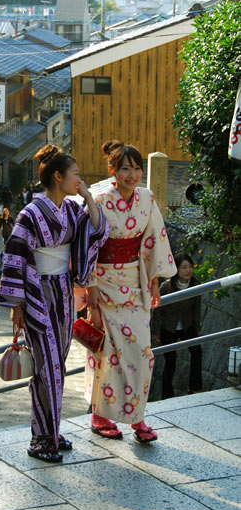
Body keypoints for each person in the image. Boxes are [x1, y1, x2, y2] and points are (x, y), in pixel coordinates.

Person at [0, 144, 108, 463]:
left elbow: (97, 231)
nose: (79, 180)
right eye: (76, 175)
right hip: (36, 292)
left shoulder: (72, 209)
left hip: (62, 292)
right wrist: (16, 306)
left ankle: (51, 429)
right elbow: (15, 256)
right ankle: (40, 438)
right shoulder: (30, 214)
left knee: (57, 363)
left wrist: (88, 197)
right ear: (58, 176)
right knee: (46, 365)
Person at [82, 140, 176, 444]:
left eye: (136, 169)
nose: (132, 174)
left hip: (135, 282)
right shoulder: (98, 199)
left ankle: (137, 415)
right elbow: (87, 248)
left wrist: (153, 281)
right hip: (104, 284)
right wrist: (90, 292)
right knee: (107, 353)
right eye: (125, 168)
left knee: (142, 353)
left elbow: (153, 239)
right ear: (112, 170)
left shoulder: (146, 198)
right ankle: (100, 414)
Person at [152, 252, 203, 399]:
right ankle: (167, 396)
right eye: (184, 267)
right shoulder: (166, 286)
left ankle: (195, 387)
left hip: (187, 325)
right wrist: (156, 332)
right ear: (176, 269)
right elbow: (157, 311)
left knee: (197, 351)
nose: (188, 271)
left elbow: (196, 309)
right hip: (168, 327)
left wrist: (196, 328)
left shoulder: (195, 285)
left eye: (190, 267)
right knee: (171, 361)